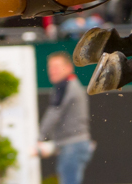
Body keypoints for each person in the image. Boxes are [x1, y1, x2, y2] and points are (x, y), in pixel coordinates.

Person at [38, 52, 93, 184]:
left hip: (73, 146)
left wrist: (39, 138)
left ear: (69, 68)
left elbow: (53, 114)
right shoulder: (66, 86)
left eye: (56, 67)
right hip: (72, 145)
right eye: (50, 67)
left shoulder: (66, 86)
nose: (52, 71)